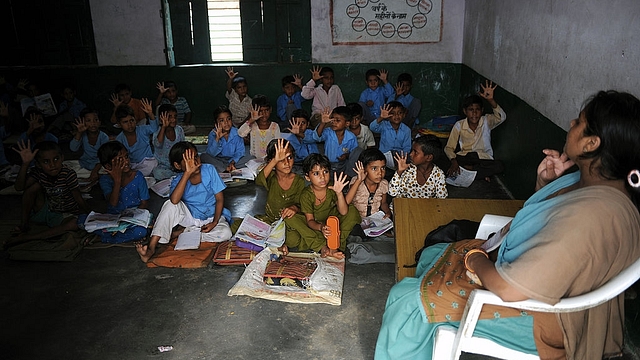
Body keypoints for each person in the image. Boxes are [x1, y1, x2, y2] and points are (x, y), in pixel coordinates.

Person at [375, 90, 640, 359]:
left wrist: (476, 260)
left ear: (591, 143)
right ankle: (427, 325)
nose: (571, 123)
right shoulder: (589, 183)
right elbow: (539, 220)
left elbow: (508, 288)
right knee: (432, 254)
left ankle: (420, 321)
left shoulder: (594, 214)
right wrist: (545, 185)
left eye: (579, 122)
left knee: (405, 302)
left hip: (546, 321)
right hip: (526, 279)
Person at [136, 142, 233, 263]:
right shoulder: (178, 180)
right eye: (189, 161)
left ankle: (181, 233)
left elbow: (219, 199)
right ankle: (151, 247)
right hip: (191, 217)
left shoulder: (209, 170)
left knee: (226, 234)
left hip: (212, 216)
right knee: (170, 205)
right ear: (177, 165)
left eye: (196, 157)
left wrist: (214, 222)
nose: (195, 163)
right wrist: (187, 173)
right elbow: (174, 201)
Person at [282, 153, 361, 259]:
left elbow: (343, 212)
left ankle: (334, 246)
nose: (322, 177)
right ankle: (323, 247)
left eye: (325, 172)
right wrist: (321, 227)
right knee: (291, 219)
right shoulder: (306, 195)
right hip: (316, 226)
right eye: (316, 173)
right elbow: (310, 221)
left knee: (351, 211)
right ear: (307, 177)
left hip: (332, 224)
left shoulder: (331, 187)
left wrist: (339, 193)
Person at [9, 141, 90, 242]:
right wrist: (25, 164)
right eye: (46, 162)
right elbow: (19, 187)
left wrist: (91, 214)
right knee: (33, 188)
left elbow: (78, 197)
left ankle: (27, 238)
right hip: (46, 210)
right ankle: (23, 225)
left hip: (64, 214)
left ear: (62, 158)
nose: (53, 165)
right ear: (38, 164)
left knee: (74, 223)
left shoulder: (68, 174)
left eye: (56, 159)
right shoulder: (38, 172)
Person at [244, 139, 306, 250]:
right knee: (240, 226)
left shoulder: (299, 181)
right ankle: (276, 241)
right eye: (281, 159)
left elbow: (301, 204)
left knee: (293, 240)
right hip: (269, 220)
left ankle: (276, 241)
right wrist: (274, 160)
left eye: (290, 157)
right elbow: (259, 181)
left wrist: (293, 208)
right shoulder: (271, 178)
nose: (287, 163)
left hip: (288, 222)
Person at [444, 80, 506, 182]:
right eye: (470, 110)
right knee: (447, 161)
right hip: (465, 157)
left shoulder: (486, 121)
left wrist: (491, 100)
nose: (474, 113)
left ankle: (471, 171)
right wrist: (454, 161)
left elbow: (501, 117)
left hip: (483, 158)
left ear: (482, 111)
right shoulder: (459, 125)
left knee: (499, 166)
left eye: (477, 110)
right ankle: (480, 174)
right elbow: (449, 148)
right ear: (465, 111)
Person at [88, 141, 149, 244]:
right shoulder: (105, 180)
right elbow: (113, 203)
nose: (126, 162)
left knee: (140, 231)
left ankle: (105, 238)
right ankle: (120, 235)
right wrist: (117, 181)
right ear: (108, 166)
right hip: (113, 218)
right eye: (120, 160)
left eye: (126, 157)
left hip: (133, 218)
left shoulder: (137, 176)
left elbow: (144, 202)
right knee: (82, 221)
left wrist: (133, 218)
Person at [388, 134, 447, 199]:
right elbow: (392, 192)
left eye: (415, 152)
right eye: (412, 150)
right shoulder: (408, 169)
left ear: (429, 157)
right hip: (403, 207)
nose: (411, 154)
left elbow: (442, 199)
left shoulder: (438, 175)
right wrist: (399, 172)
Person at [313, 106, 359, 177]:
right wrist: (323, 123)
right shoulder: (328, 132)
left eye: (337, 120)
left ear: (347, 124)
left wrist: (346, 155)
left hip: (343, 165)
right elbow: (317, 137)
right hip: (328, 164)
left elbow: (353, 154)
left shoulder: (351, 137)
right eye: (332, 119)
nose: (334, 122)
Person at [114, 101, 159, 177]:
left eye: (131, 120)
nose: (129, 124)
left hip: (147, 162)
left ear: (135, 120)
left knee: (153, 165)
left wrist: (150, 113)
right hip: (132, 165)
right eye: (125, 122)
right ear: (119, 124)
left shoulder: (142, 130)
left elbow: (154, 128)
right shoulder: (120, 139)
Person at [346, 148, 391, 219]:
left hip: (374, 219)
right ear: (363, 169)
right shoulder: (356, 181)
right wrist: (359, 180)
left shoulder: (383, 184)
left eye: (383, 168)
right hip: (356, 218)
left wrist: (387, 212)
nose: (380, 173)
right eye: (374, 168)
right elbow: (347, 202)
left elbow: (383, 203)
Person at [68, 108, 109, 182]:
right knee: (66, 168)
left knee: (108, 170)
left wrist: (95, 171)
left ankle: (91, 177)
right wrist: (79, 133)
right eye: (88, 121)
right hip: (85, 163)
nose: (93, 123)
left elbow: (104, 157)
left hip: (99, 165)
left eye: (95, 120)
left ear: (99, 122)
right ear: (83, 122)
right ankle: (93, 178)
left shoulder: (104, 137)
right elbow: (73, 148)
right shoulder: (82, 135)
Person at [201, 105, 246, 172]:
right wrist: (217, 139)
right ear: (216, 123)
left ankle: (227, 168)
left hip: (233, 160)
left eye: (228, 119)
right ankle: (226, 169)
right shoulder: (213, 134)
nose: (226, 122)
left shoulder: (237, 133)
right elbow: (211, 154)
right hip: (218, 160)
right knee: (203, 156)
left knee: (250, 158)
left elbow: (240, 152)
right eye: (222, 120)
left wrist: (232, 162)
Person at [238, 95, 280, 160]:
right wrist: (251, 120)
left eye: (266, 110)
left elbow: (277, 145)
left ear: (270, 109)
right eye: (260, 111)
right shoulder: (252, 125)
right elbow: (240, 133)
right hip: (254, 159)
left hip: (270, 159)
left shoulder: (275, 126)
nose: (264, 113)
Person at [152, 104, 185, 180]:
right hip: (163, 164)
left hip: (177, 163)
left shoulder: (179, 130)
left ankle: (177, 175)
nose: (173, 120)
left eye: (175, 116)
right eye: (170, 117)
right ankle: (176, 176)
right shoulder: (158, 131)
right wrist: (163, 127)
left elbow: (182, 146)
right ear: (161, 119)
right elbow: (157, 144)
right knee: (157, 173)